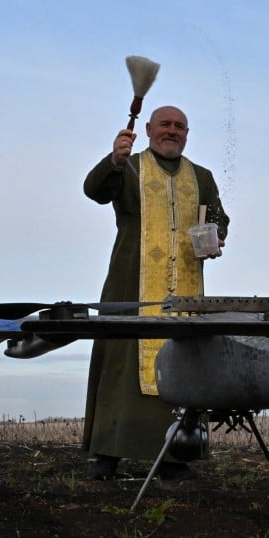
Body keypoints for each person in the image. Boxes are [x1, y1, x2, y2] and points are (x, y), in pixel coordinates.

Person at [81, 104, 229, 480]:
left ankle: (173, 458)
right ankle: (106, 455)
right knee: (121, 364)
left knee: (179, 369)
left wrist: (216, 237)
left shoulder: (203, 177)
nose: (172, 131)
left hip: (184, 293)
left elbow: (216, 220)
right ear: (148, 128)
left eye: (180, 126)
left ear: (187, 134)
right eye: (165, 124)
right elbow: (93, 191)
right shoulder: (129, 166)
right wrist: (114, 158)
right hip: (131, 284)